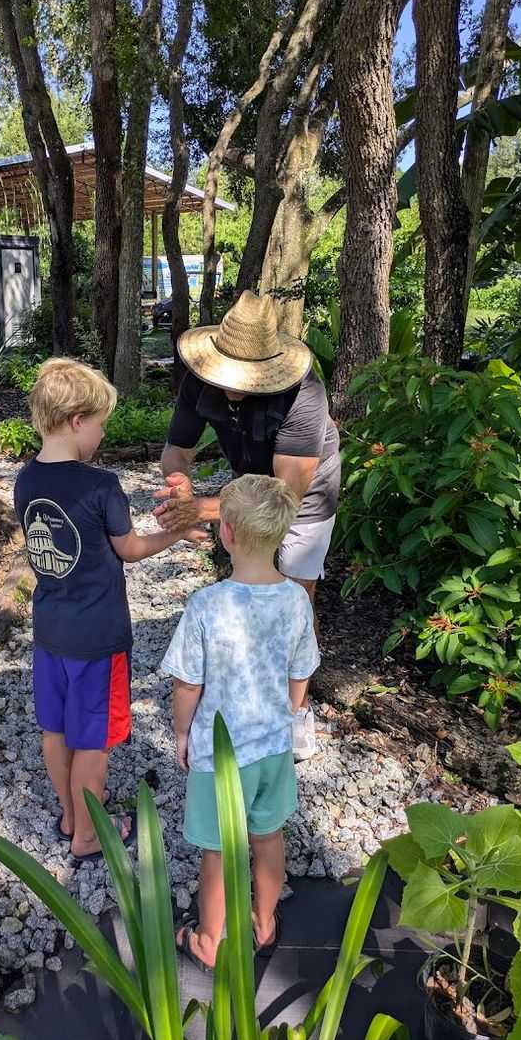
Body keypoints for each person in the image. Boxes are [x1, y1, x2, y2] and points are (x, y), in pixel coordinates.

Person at [13, 358, 202, 862]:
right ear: (77, 420)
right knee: (93, 739)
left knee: (56, 731)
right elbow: (131, 549)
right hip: (97, 638)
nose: (100, 435)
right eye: (100, 424)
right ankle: (90, 835)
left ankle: (71, 815)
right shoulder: (100, 486)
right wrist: (178, 532)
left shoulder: (25, 480)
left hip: (50, 630)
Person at [155, 290, 339, 760]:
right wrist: (180, 492)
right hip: (247, 482)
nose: (233, 387)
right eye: (226, 375)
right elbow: (177, 453)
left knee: (296, 591)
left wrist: (202, 509)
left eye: (245, 379)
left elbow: (286, 493)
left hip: (306, 492)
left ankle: (296, 709)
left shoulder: (305, 393)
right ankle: (240, 685)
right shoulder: (198, 383)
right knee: (245, 582)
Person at [162, 474, 320, 970]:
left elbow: (187, 684)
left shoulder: (207, 604)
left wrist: (183, 733)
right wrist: (289, 715)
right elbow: (301, 675)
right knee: (268, 838)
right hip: (273, 749)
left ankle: (210, 939)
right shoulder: (296, 599)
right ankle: (265, 923)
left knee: (217, 851)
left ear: (226, 533)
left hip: (220, 755)